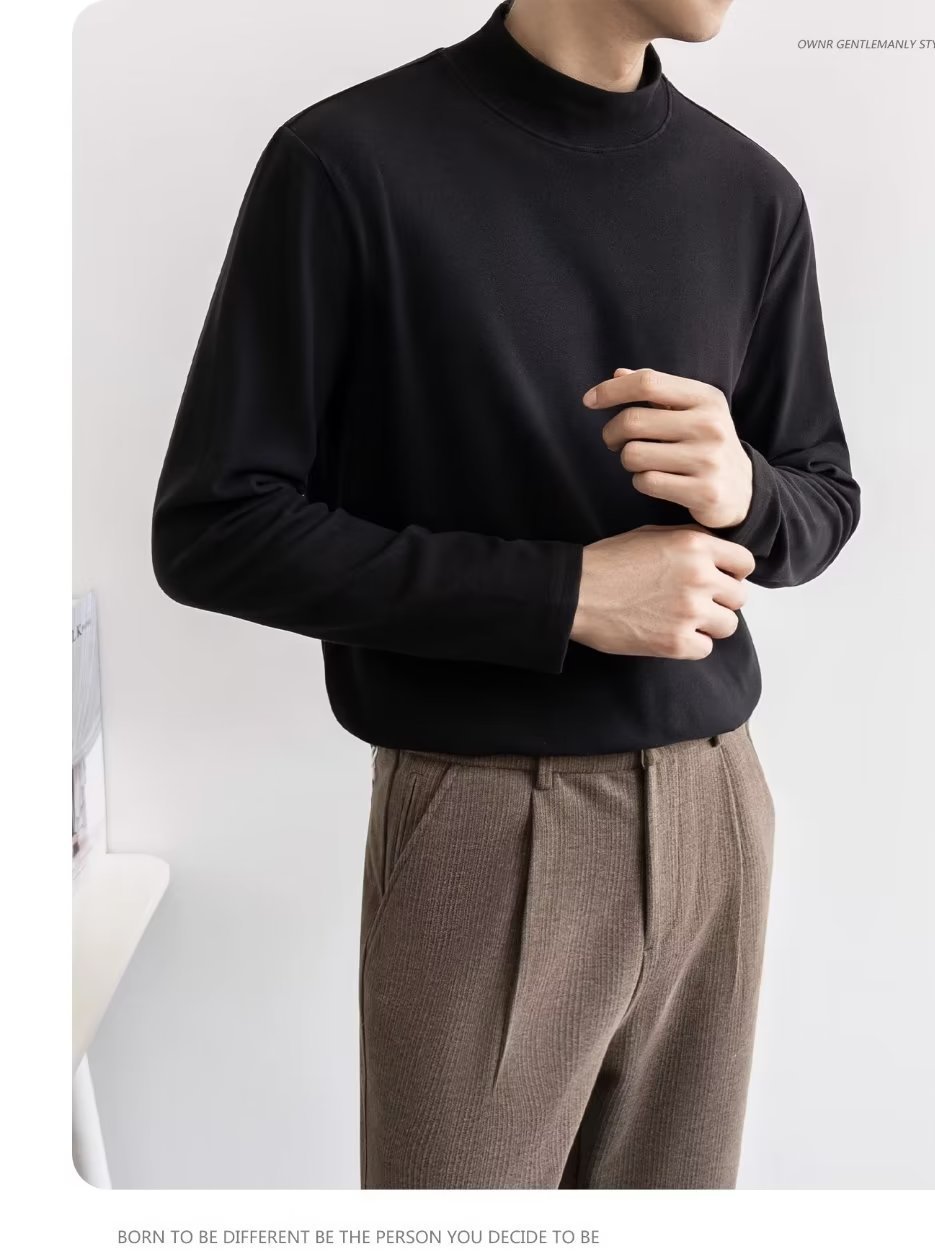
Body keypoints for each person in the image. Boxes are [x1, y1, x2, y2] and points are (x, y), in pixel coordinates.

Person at [151, 0, 860, 1188]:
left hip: (718, 808)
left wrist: (746, 488)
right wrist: (565, 593)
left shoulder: (752, 194)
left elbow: (823, 496)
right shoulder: (347, 164)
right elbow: (214, 527)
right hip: (483, 819)